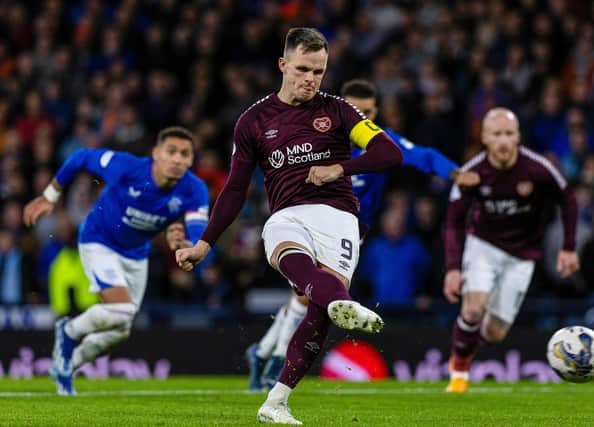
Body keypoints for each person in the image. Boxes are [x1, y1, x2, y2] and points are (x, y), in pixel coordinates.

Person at [175, 28, 403, 425]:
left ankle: (275, 402)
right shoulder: (253, 121)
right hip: (287, 214)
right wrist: (205, 243)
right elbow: (234, 190)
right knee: (288, 250)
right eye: (302, 69)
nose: (310, 79)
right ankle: (339, 302)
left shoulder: (340, 111)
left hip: (339, 218)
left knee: (318, 310)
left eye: (318, 71)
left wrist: (340, 167)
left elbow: (389, 151)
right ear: (283, 65)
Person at [245, 79, 480, 392]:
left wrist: (456, 173)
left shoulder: (382, 143)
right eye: (355, 109)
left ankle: (261, 353)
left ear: (375, 112)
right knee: (308, 294)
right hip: (311, 220)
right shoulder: (317, 137)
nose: (360, 116)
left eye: (367, 112)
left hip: (352, 232)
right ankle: (273, 362)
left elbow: (424, 156)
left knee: (305, 295)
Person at [23, 126, 209, 395]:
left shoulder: (194, 189)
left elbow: (196, 230)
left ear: (191, 160)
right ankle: (69, 332)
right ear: (155, 153)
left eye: (184, 154)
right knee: (123, 310)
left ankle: (66, 364)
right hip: (99, 240)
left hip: (136, 253)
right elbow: (82, 157)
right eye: (171, 152)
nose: (177, 159)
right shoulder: (127, 167)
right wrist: (50, 196)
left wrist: (185, 245)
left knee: (121, 329)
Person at [443, 108, 579, 393]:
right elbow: (454, 222)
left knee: (494, 333)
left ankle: (467, 342)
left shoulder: (538, 168)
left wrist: (568, 248)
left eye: (509, 134)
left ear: (518, 137)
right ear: (484, 137)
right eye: (497, 134)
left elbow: (567, 198)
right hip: (483, 245)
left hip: (522, 255)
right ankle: (459, 367)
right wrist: (453, 269)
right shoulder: (472, 173)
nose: (503, 141)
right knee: (473, 308)